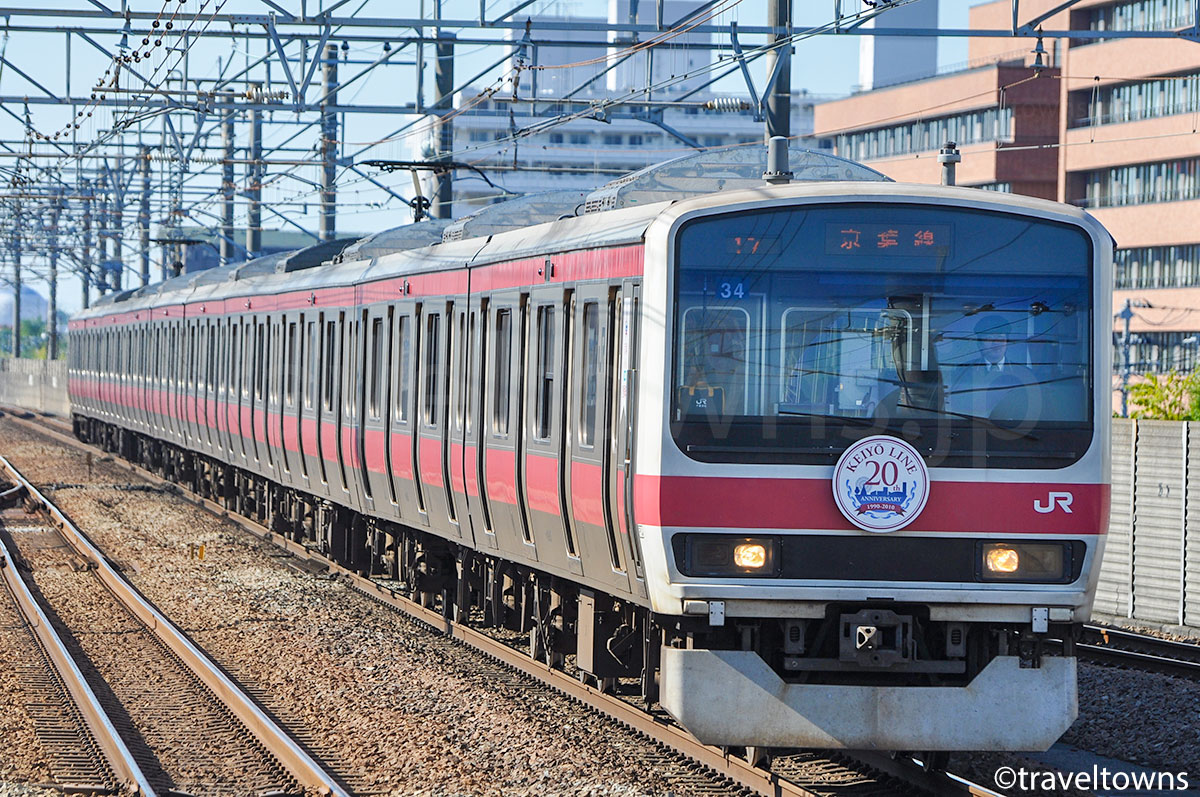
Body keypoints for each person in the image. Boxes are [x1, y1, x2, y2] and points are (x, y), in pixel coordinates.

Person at [947, 314, 1037, 419]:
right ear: (979, 344)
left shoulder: (1025, 374)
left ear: (1007, 342)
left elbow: (1031, 412)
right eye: (989, 338)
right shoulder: (963, 371)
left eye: (1000, 338)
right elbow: (956, 408)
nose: (995, 343)